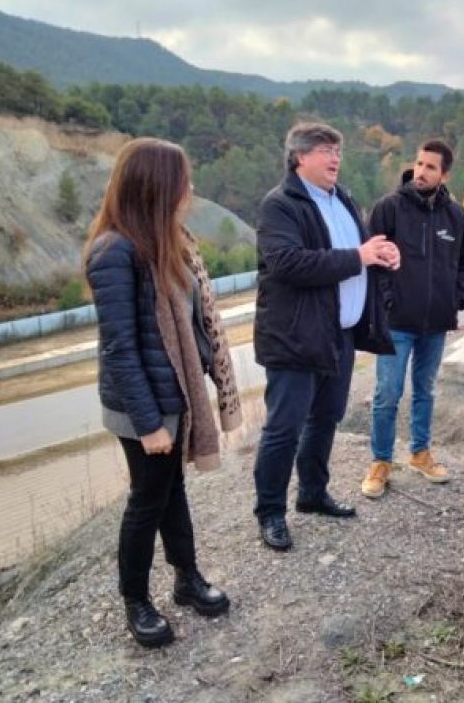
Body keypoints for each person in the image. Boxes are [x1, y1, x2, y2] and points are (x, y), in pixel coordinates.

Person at [84, 137, 243, 648]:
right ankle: (137, 601)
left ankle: (187, 578)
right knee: (147, 500)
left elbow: (193, 322)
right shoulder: (115, 251)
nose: (190, 189)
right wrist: (150, 423)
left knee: (172, 491)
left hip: (175, 394)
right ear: (154, 184)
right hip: (141, 407)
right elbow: (121, 349)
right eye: (182, 180)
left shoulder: (169, 240)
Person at [253, 121, 397, 552]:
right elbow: (287, 263)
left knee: (326, 419)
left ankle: (312, 494)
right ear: (300, 157)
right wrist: (359, 256)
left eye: (337, 150)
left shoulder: (344, 199)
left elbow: (354, 254)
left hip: (340, 334)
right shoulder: (280, 205)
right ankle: (270, 513)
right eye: (324, 150)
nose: (335, 158)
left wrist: (379, 253)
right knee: (284, 428)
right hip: (295, 338)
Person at [361, 140, 464, 498]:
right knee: (387, 393)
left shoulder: (456, 216)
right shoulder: (389, 209)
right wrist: (387, 302)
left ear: (444, 174)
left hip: (436, 325)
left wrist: (456, 298)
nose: (421, 172)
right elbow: (372, 261)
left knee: (425, 391)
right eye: (418, 163)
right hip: (396, 324)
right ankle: (381, 462)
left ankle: (420, 453)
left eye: (430, 167)